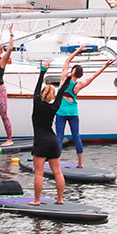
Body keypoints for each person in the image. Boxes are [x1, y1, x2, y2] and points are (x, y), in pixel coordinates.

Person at [56, 45, 111, 168]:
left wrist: (78, 50)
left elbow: (67, 60)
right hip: (73, 113)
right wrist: (105, 66)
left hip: (61, 112)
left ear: (73, 71)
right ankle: (80, 163)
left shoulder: (64, 77)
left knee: (59, 137)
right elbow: (94, 76)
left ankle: (57, 162)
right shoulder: (79, 84)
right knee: (76, 137)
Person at [28, 60, 73, 205]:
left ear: (42, 94)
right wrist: (69, 78)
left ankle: (36, 200)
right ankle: (60, 199)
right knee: (58, 172)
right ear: (52, 96)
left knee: (39, 173)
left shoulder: (36, 102)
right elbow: (62, 92)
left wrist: (43, 70)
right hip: (53, 142)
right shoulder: (54, 107)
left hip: (41, 142)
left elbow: (37, 86)